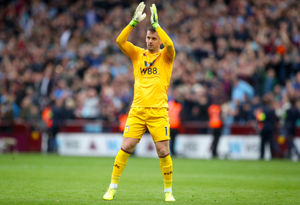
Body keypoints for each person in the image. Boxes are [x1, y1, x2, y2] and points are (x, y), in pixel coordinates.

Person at [103, 2, 176, 202]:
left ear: (159, 40)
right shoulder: (137, 54)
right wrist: (133, 22)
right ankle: (112, 187)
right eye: (148, 37)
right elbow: (119, 41)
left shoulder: (166, 57)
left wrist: (158, 26)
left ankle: (168, 191)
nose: (150, 41)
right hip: (137, 111)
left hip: (158, 111)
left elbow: (170, 45)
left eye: (153, 38)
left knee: (163, 150)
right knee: (126, 146)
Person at [256, 94, 278, 160]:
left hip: (264, 128)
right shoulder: (272, 110)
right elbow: (275, 119)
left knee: (262, 143)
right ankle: (272, 156)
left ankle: (262, 156)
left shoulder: (261, 110)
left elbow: (260, 119)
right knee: (271, 143)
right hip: (271, 128)